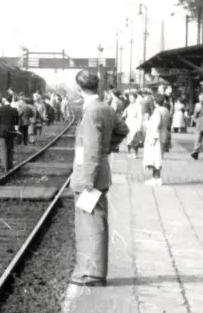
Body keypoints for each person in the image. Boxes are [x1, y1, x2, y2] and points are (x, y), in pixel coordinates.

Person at [70, 71, 129, 287]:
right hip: (97, 171)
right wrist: (108, 149)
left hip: (90, 175)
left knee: (91, 223)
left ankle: (92, 274)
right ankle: (90, 270)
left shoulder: (92, 111)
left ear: (79, 89)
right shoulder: (104, 107)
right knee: (93, 221)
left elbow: (92, 147)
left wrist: (88, 179)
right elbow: (123, 129)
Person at [0, 93, 20, 172]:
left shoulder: (0, 109)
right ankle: (10, 165)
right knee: (10, 148)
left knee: (3, 149)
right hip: (11, 131)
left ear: (5, 99)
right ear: (11, 100)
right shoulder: (14, 110)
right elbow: (17, 122)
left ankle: (4, 166)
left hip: (2, 131)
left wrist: (0, 123)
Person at [142, 97, 163, 185]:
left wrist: (146, 122)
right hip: (151, 138)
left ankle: (156, 178)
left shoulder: (155, 114)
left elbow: (154, 127)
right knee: (153, 159)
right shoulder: (154, 114)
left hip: (153, 139)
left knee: (155, 159)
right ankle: (155, 178)